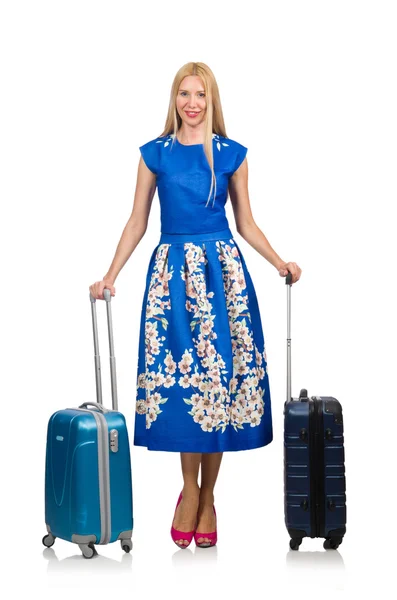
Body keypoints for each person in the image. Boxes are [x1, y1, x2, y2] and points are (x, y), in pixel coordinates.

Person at [89, 61, 302, 550]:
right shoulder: (154, 155)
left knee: (219, 389)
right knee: (187, 388)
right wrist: (110, 275)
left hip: (222, 278)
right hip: (171, 281)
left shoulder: (232, 155)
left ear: (211, 100)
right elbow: (137, 221)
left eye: (200, 94)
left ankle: (208, 499)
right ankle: (189, 490)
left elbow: (246, 223)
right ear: (174, 99)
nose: (192, 102)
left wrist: (279, 262)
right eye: (184, 93)